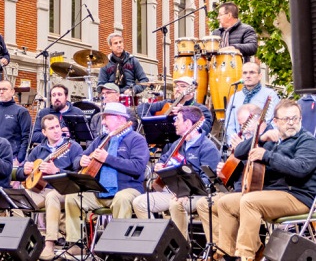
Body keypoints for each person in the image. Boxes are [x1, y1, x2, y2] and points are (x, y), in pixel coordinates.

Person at [216, 99, 316, 261]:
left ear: (300, 119)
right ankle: (227, 255)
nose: (291, 123)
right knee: (225, 203)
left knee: (250, 201)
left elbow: (300, 169)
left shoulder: (307, 141)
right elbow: (240, 152)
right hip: (273, 194)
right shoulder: (273, 139)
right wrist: (261, 138)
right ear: (275, 121)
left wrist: (267, 155)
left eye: (295, 118)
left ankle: (246, 256)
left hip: (298, 196)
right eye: (286, 119)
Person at [62, 102, 148, 257]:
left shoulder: (136, 139)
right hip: (100, 192)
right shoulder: (102, 140)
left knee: (121, 199)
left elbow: (137, 167)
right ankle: (76, 243)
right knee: (73, 197)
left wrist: (108, 158)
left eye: (106, 117)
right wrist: (81, 161)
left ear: (120, 119)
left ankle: (120, 247)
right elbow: (78, 159)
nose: (103, 122)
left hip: (128, 189)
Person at [132, 106, 220, 239]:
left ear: (188, 123)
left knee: (176, 204)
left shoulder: (208, 148)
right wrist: (159, 166)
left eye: (177, 119)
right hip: (173, 192)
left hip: (197, 195)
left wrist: (186, 192)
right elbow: (163, 160)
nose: (174, 123)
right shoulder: (177, 144)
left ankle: (182, 247)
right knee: (139, 202)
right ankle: (158, 242)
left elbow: (208, 181)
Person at [14, 114, 82, 260]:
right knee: (15, 200)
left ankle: (49, 243)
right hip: (41, 190)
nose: (56, 130)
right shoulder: (39, 149)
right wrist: (24, 169)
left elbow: (79, 174)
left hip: (65, 191)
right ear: (44, 132)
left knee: (52, 197)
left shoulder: (72, 147)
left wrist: (57, 171)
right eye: (51, 128)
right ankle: (24, 241)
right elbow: (20, 172)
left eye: (57, 126)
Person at [196, 103, 262, 249]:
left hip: (255, 191)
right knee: (203, 204)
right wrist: (225, 170)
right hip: (238, 189)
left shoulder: (263, 140)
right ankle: (219, 248)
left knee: (224, 203)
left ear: (257, 120)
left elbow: (258, 169)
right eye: (240, 125)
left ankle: (232, 250)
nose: (242, 129)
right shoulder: (245, 141)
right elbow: (237, 174)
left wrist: (241, 149)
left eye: (245, 124)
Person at [224, 61, 279, 141]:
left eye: (252, 72)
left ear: (260, 76)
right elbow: (229, 125)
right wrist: (234, 142)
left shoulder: (270, 95)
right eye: (245, 73)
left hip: (261, 144)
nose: (248, 76)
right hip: (238, 146)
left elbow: (272, 122)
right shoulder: (235, 97)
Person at [145, 76, 213, 135]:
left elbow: (205, 129)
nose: (177, 89)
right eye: (176, 86)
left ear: (192, 91)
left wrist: (185, 113)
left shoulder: (201, 109)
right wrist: (151, 125)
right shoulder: (167, 103)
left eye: (183, 86)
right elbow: (143, 107)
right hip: (163, 145)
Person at [0, 80, 31, 162]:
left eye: (4, 89)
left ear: (12, 92)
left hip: (12, 158)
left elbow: (26, 137)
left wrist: (20, 159)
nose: (1, 92)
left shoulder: (21, 111)